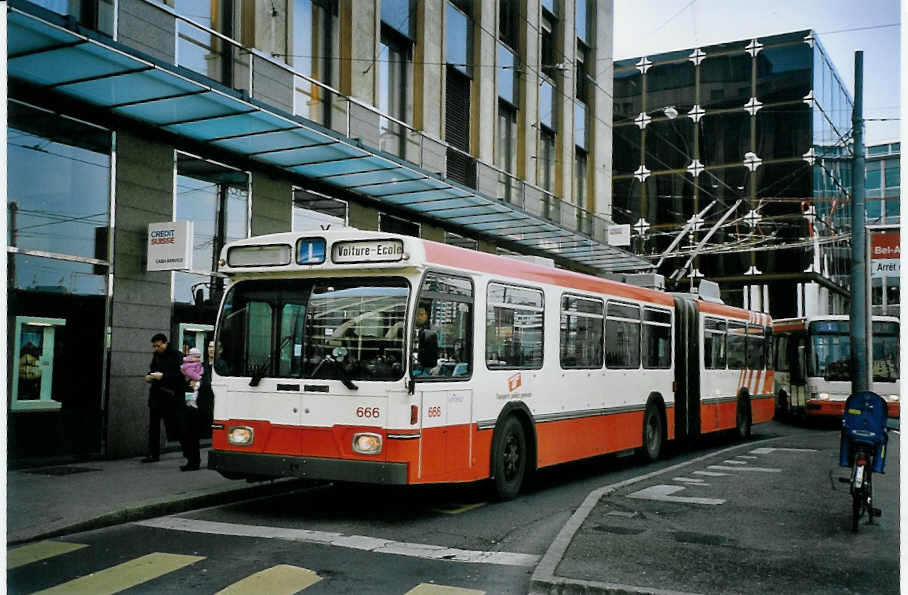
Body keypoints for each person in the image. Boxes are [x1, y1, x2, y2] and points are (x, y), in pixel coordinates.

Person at [143, 333, 200, 471]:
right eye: (154, 346)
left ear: (165, 343)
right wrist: (150, 376)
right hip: (158, 396)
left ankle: (192, 459)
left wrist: (163, 376)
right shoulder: (156, 355)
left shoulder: (176, 355)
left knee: (181, 429)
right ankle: (153, 453)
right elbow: (152, 369)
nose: (157, 348)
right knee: (154, 427)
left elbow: (182, 376)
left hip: (173, 397)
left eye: (158, 345)